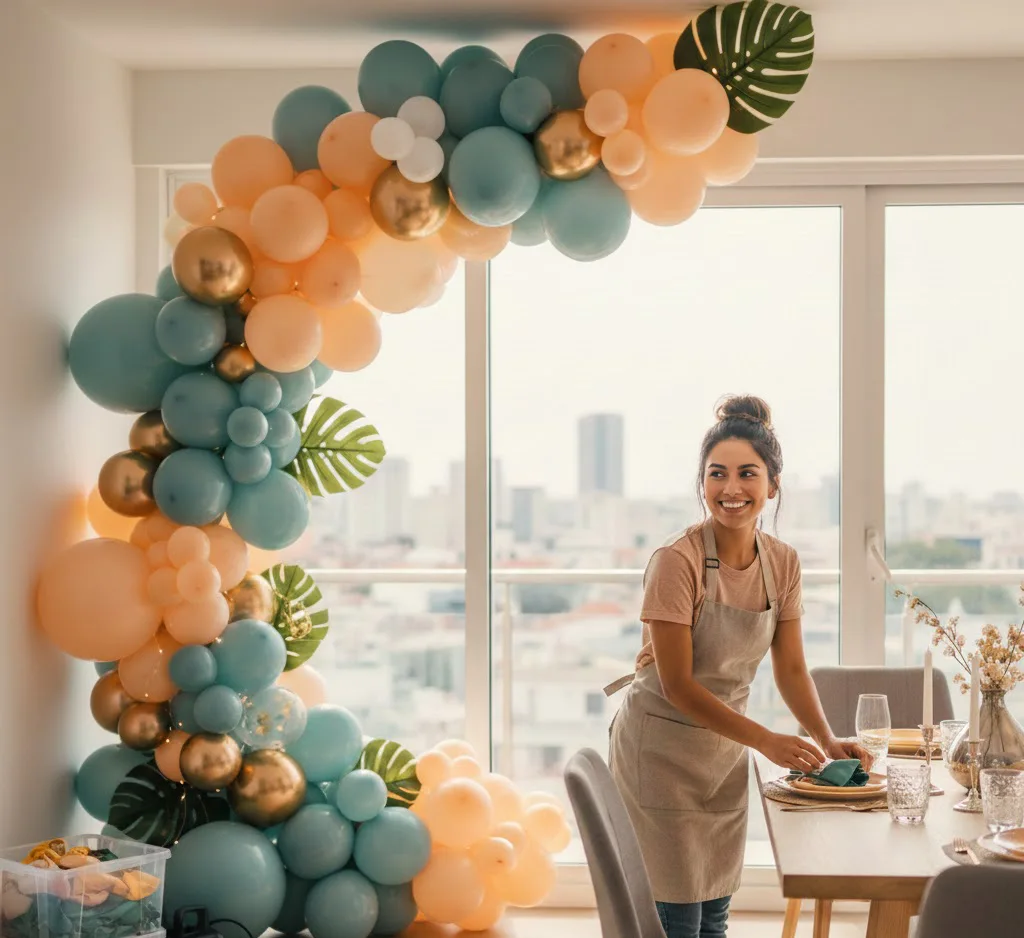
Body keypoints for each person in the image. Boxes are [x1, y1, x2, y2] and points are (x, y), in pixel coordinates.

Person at [605, 396, 871, 938]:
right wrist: (767, 743)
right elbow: (678, 685)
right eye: (716, 474)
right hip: (658, 752)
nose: (731, 489)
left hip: (722, 753)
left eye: (747, 474)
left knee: (716, 914)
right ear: (701, 483)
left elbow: (792, 669)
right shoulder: (675, 562)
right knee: (676, 919)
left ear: (773, 484)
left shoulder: (783, 562)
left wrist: (825, 741)